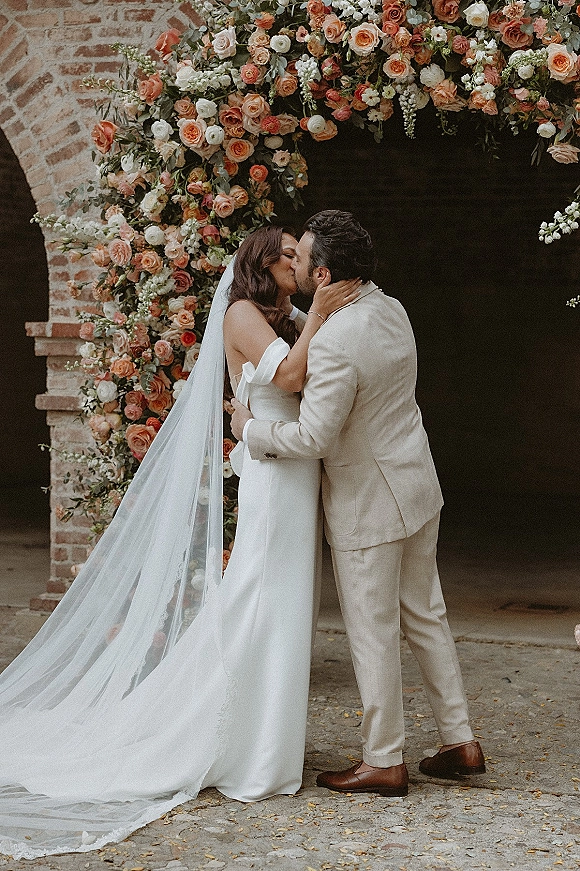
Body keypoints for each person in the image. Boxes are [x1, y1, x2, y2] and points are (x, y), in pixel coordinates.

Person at [0, 225, 358, 859]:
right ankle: (237, 745)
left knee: (287, 605)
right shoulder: (245, 314)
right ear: (260, 264)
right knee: (259, 599)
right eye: (283, 254)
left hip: (296, 466)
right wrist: (320, 317)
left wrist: (326, 313)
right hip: (274, 474)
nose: (294, 262)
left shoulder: (288, 312)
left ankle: (266, 739)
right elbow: (296, 376)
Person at [231, 210, 486, 798]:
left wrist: (249, 430)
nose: (288, 262)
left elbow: (312, 439)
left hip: (368, 503)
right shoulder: (388, 307)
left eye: (299, 258)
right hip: (418, 484)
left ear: (322, 275)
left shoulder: (336, 342)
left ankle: (383, 760)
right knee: (426, 614)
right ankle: (460, 740)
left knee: (373, 631)